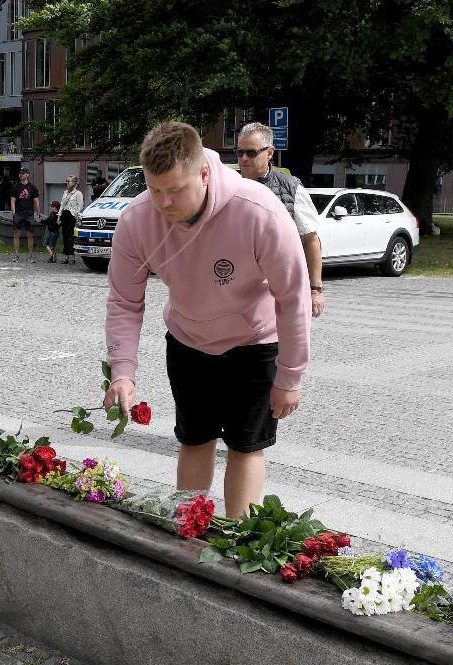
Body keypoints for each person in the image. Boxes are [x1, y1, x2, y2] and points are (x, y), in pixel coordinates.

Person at [103, 121, 310, 520]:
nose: (163, 203)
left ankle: (237, 539)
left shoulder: (259, 210)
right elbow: (125, 301)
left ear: (203, 172)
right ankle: (189, 529)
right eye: (154, 189)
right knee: (194, 440)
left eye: (175, 190)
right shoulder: (136, 220)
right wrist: (123, 371)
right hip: (188, 341)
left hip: (254, 343)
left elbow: (293, 297)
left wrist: (289, 377)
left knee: (245, 447)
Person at [237, 122, 325, 317]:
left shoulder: (290, 188)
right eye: (239, 152)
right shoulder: (227, 185)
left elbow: (311, 240)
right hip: (239, 290)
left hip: (281, 289)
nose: (243, 159)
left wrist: (315, 290)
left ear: (269, 153)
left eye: (251, 153)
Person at [9, 168, 40, 263]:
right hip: (18, 213)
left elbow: (36, 201)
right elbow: (13, 200)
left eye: (23, 173)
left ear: (27, 175)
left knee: (30, 235)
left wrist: (38, 213)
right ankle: (16, 255)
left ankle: (30, 255)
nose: (21, 175)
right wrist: (14, 213)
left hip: (29, 214)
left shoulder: (32, 187)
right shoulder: (15, 187)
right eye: (20, 173)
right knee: (16, 234)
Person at [59, 175, 84, 265]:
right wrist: (59, 216)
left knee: (71, 237)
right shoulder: (65, 192)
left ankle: (72, 257)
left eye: (69, 181)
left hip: (72, 217)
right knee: (65, 237)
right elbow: (62, 205)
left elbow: (80, 206)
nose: (67, 183)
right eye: (67, 181)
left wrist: (76, 217)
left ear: (74, 183)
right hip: (65, 216)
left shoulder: (78, 194)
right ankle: (66, 256)